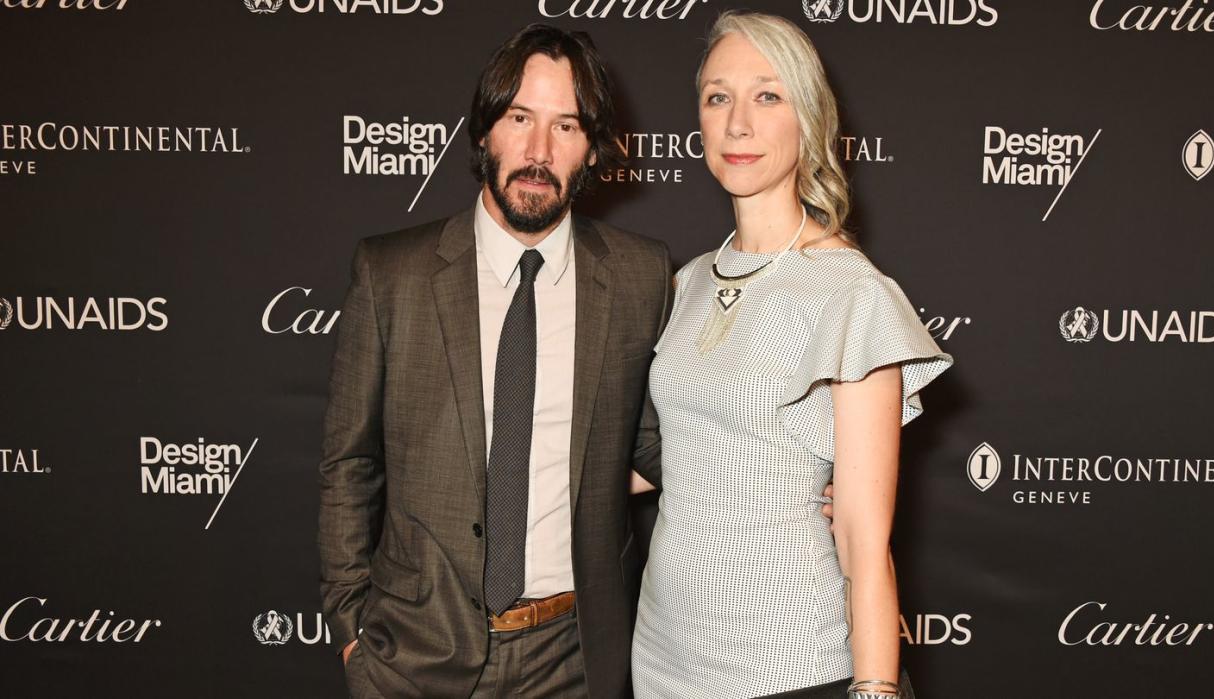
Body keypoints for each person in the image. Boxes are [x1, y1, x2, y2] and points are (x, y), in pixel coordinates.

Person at [316, 24, 671, 698]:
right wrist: (353, 631)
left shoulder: (639, 275)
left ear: (591, 149)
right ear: (484, 132)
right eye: (520, 118)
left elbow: (663, 440)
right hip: (413, 655)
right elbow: (348, 464)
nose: (539, 151)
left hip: (575, 656)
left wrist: (794, 476)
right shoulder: (391, 274)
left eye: (566, 126)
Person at [631, 11, 952, 699]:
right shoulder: (686, 284)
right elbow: (666, 459)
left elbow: (866, 545)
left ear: (808, 117)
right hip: (662, 661)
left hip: (791, 663)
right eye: (718, 96)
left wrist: (874, 690)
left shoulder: (850, 293)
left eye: (766, 95)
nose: (737, 123)